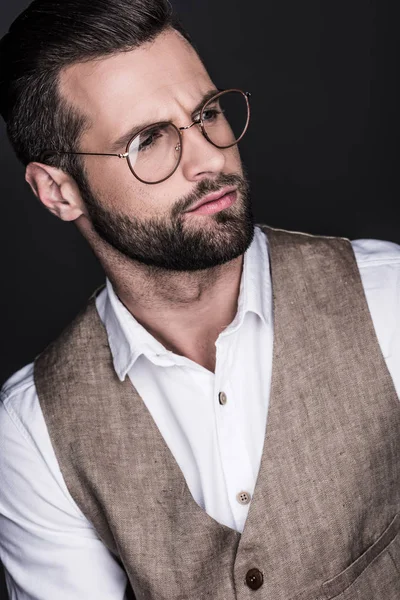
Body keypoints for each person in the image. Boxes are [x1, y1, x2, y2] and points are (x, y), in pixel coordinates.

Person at [0, 0, 400, 598]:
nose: (210, 157)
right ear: (57, 192)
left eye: (206, 112)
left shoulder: (388, 298)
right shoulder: (32, 433)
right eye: (149, 141)